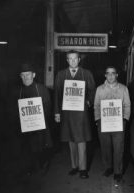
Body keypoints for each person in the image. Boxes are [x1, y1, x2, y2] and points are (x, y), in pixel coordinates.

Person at [54, 50, 95, 179]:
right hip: (67, 113)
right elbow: (57, 94)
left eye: (75, 59)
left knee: (81, 139)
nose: (72, 61)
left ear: (79, 60)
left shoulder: (86, 73)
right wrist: (57, 112)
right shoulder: (61, 75)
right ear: (67, 60)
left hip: (81, 113)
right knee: (71, 140)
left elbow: (92, 90)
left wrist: (88, 101)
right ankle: (74, 166)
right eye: (69, 59)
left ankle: (83, 169)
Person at [94, 66, 131, 183]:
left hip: (118, 123)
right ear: (105, 75)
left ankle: (118, 171)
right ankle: (108, 168)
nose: (110, 76)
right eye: (108, 73)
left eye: (113, 73)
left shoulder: (123, 89)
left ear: (117, 75)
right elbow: (96, 106)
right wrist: (97, 119)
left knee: (118, 147)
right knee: (105, 147)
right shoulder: (99, 89)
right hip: (103, 123)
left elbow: (127, 105)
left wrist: (125, 119)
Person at [18, 62, 53, 175]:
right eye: (23, 75)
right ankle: (29, 167)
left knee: (41, 145)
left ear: (34, 75)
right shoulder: (18, 91)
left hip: (40, 125)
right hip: (24, 126)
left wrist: (38, 119)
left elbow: (48, 106)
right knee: (27, 147)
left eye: (28, 74)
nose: (25, 77)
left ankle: (43, 164)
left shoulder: (41, 89)